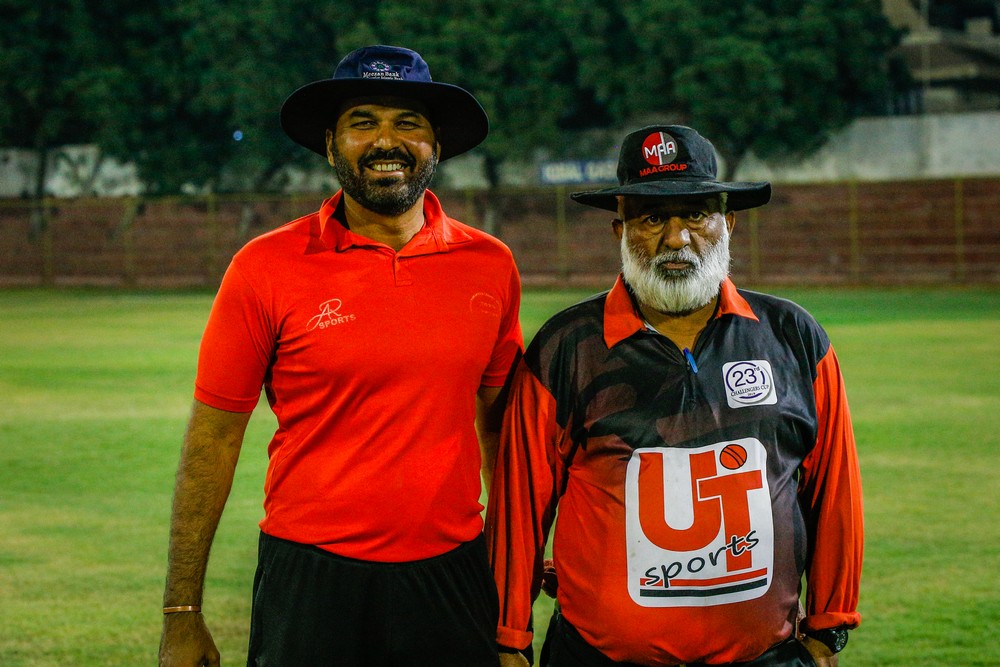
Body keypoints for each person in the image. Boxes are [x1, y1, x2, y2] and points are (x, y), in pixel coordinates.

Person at [158, 45, 523, 667]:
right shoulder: (263, 266)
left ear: (436, 145)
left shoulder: (491, 264)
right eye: (363, 122)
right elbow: (213, 439)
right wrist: (182, 612)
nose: (386, 141)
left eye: (408, 123)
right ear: (331, 145)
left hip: (451, 574)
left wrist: (511, 602)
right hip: (310, 578)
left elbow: (501, 432)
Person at [486, 125, 862, 667]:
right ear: (620, 230)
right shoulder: (567, 346)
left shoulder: (792, 336)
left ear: (728, 223)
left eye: (696, 214)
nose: (677, 238)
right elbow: (520, 503)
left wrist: (829, 625)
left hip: (766, 657)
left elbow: (834, 490)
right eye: (652, 219)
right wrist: (509, 635)